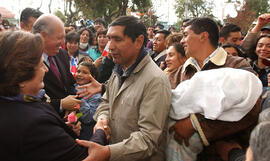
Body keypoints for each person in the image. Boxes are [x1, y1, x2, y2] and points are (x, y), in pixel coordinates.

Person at [0, 30, 108, 161]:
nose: (46, 70)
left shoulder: (18, 103)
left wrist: (62, 129)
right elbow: (86, 156)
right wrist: (100, 131)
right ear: (21, 76)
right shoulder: (34, 123)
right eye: (41, 65)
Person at [76, 16, 171, 161]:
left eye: (117, 39)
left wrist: (108, 152)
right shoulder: (119, 70)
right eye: (109, 39)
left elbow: (148, 139)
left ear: (139, 41)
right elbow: (107, 101)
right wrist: (102, 120)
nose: (110, 46)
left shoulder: (155, 81)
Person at [169, 17, 260, 161]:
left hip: (226, 154)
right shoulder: (177, 74)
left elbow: (251, 107)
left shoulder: (237, 65)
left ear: (203, 36)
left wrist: (195, 124)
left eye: (186, 35)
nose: (181, 41)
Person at [32, 14, 82, 117]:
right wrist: (61, 104)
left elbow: (69, 85)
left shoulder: (62, 54)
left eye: (64, 38)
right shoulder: (28, 61)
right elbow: (29, 102)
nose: (63, 43)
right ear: (43, 35)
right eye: (59, 38)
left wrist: (72, 109)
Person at [74, 62, 101, 140]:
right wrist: (75, 117)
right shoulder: (73, 88)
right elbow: (79, 114)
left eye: (85, 72)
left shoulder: (96, 96)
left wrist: (80, 100)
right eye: (78, 71)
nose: (79, 74)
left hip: (86, 135)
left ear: (93, 77)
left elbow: (89, 118)